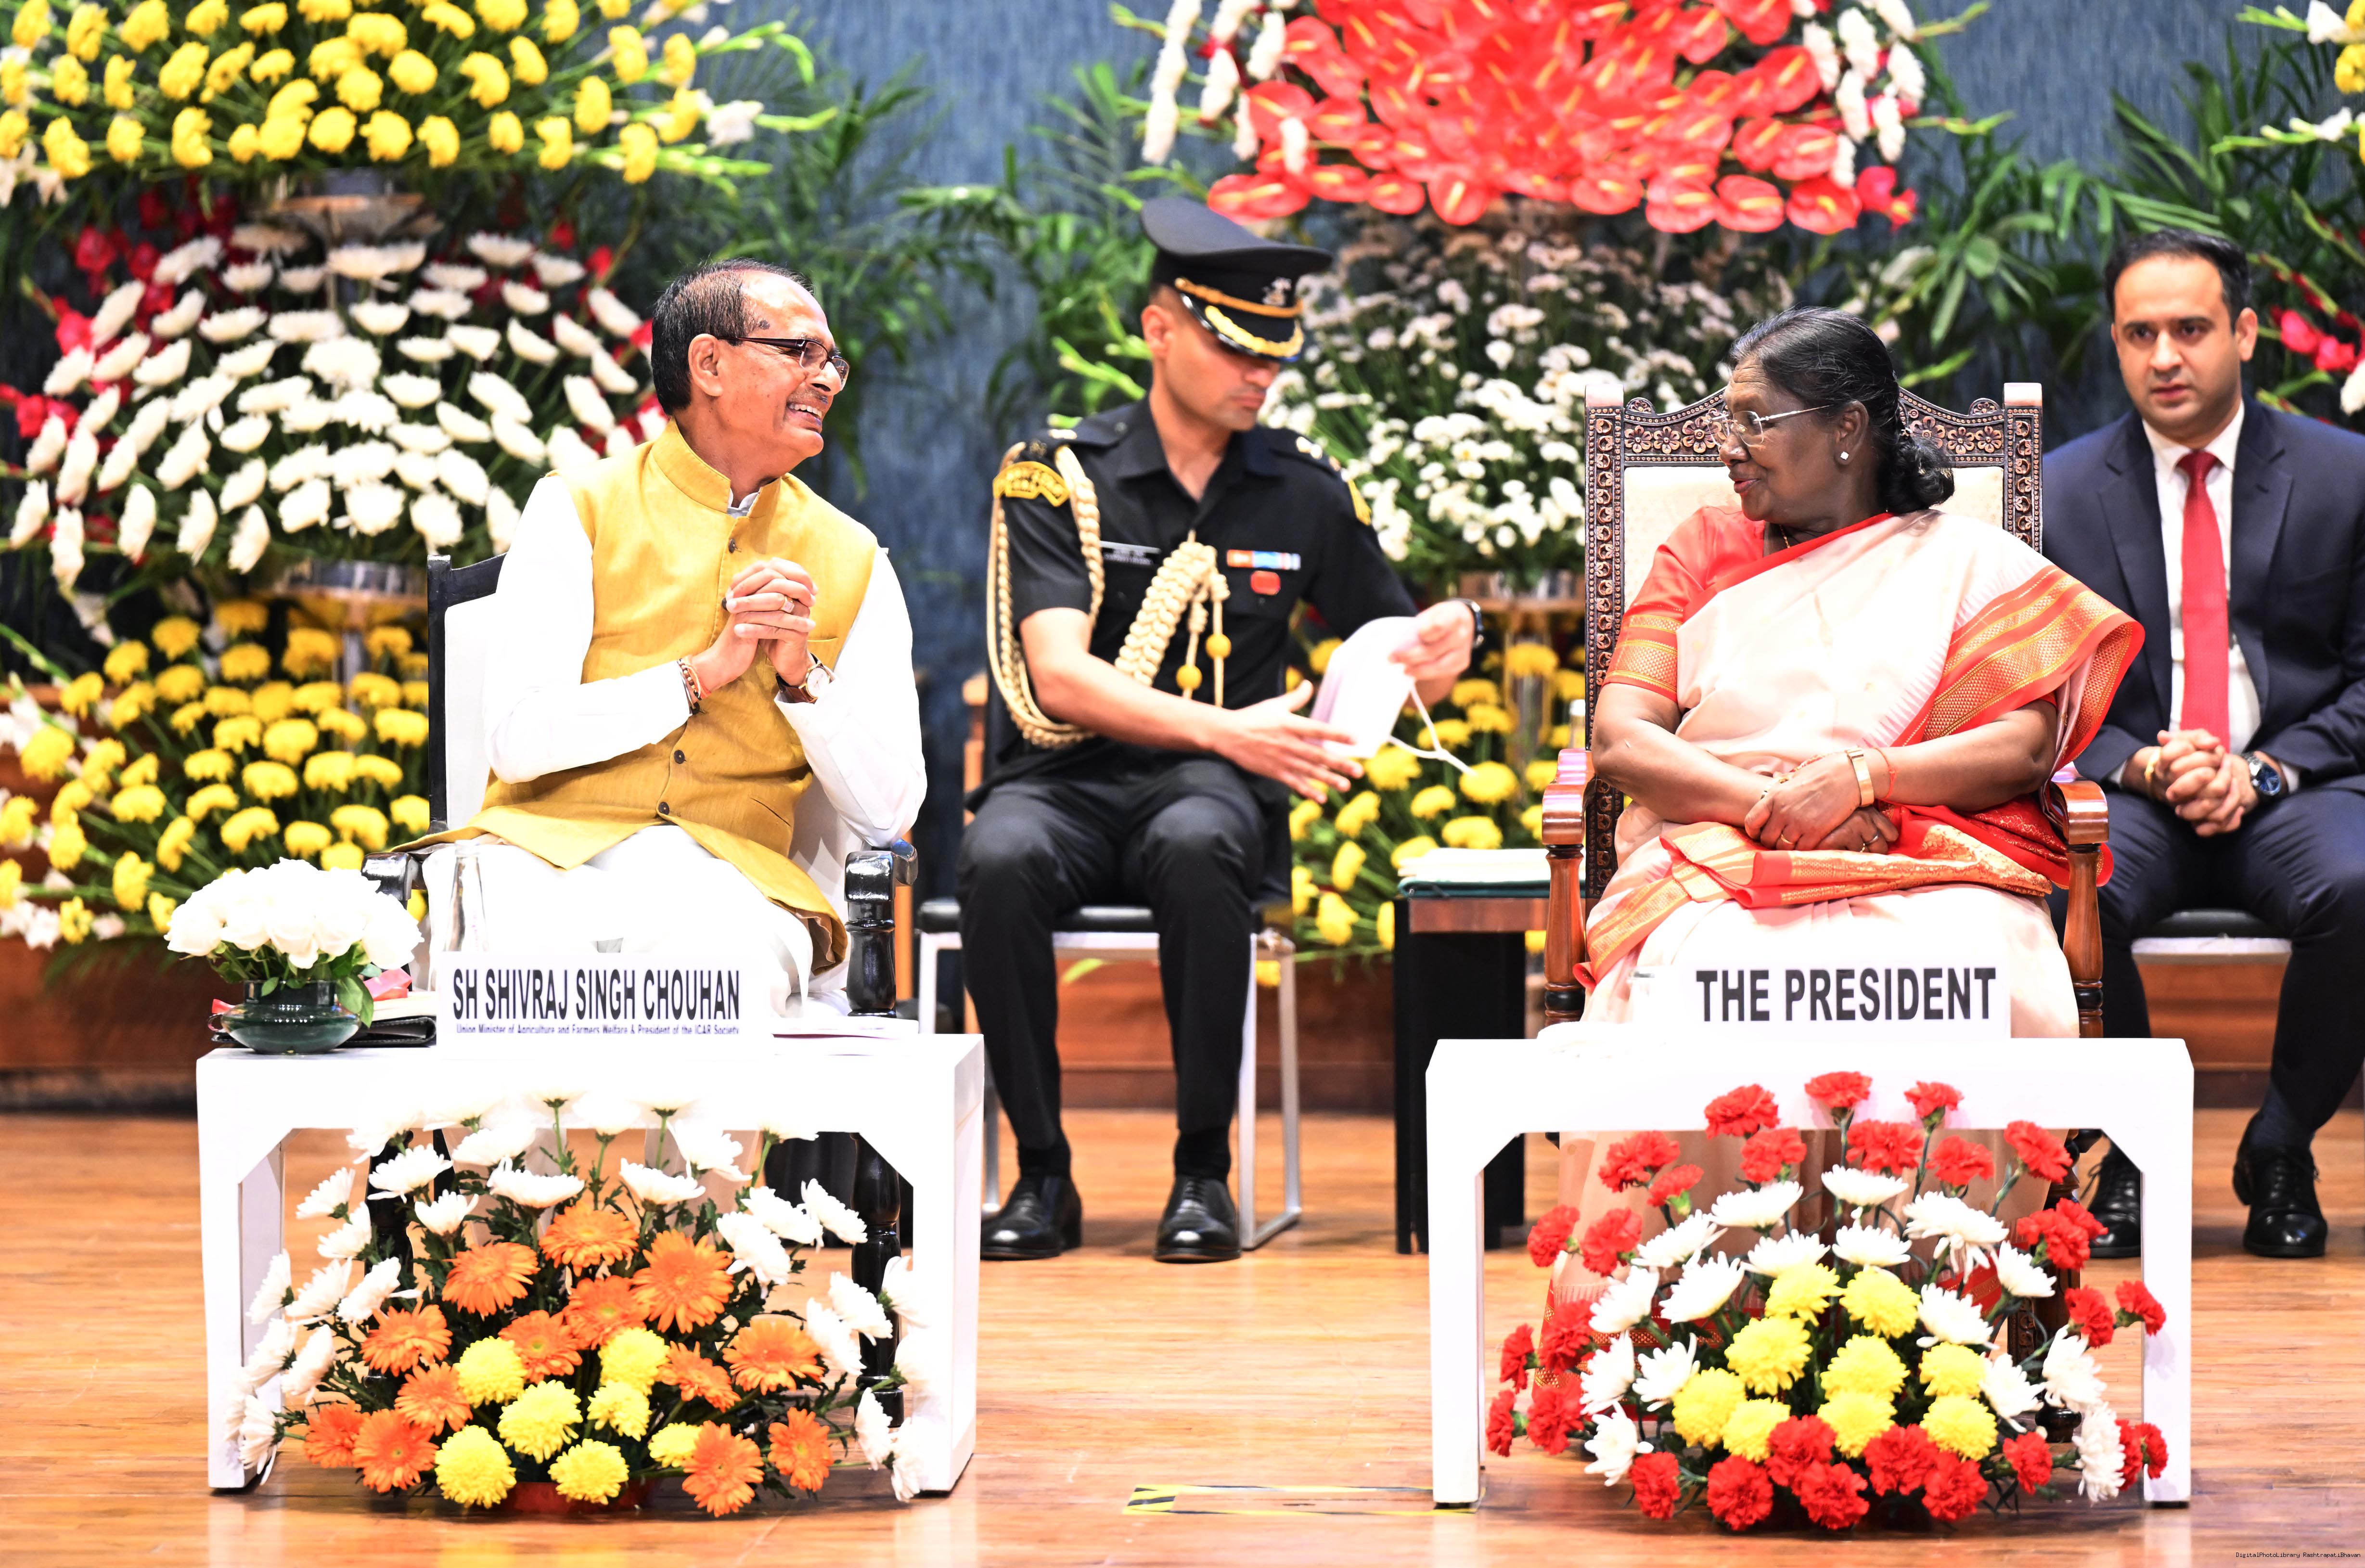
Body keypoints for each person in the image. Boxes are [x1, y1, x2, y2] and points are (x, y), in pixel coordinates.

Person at [960, 198, 1479, 1263]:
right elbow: (1059, 676)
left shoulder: (1302, 489)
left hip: (1203, 793)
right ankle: (1041, 1174)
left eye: (1274, 354)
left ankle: (1203, 1174)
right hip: (1063, 780)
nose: (1261, 375)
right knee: (996, 858)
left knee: (1202, 844)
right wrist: (1233, 732)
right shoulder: (1059, 476)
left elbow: (1393, 632)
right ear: (1160, 330)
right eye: (1236, 348)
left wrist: (1452, 634)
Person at [418, 260, 925, 1016]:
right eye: (799, 351)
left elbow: (889, 813)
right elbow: (517, 739)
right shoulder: (577, 507)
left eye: (832, 361)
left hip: (731, 882)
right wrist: (697, 676)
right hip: (542, 856)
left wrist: (803, 677)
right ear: (708, 363)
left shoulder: (854, 560)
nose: (826, 379)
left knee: (721, 974)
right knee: (514, 971)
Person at [2044, 229, 2365, 1260]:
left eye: (2190, 329)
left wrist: (2261, 770)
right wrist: (2138, 762)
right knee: (2065, 881)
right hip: (2136, 789)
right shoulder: (2058, 492)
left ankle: (2281, 1145)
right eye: (2139, 334)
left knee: (2359, 883)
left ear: (2246, 333)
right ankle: (2132, 1151)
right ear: (2115, 342)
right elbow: (2037, 686)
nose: (2165, 357)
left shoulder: (2344, 476)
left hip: (2291, 784)